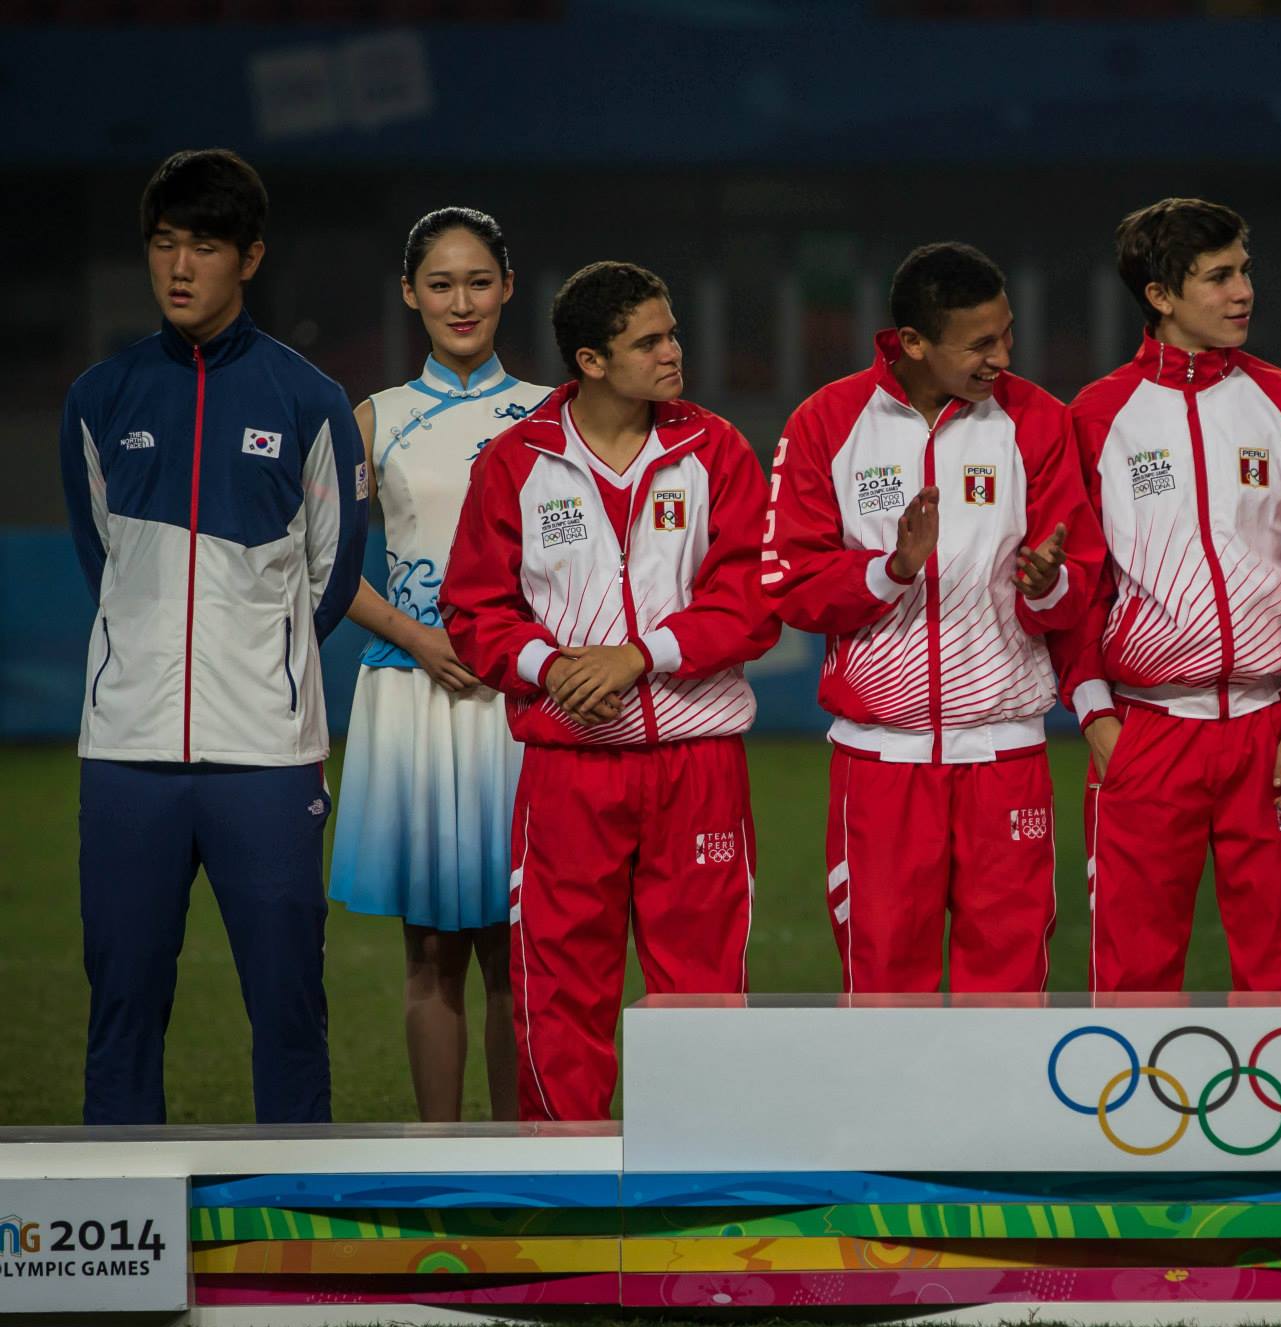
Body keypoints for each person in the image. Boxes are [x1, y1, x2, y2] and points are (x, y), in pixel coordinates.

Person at [58, 148, 367, 1123]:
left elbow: (333, 571)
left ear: (251, 257)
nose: (179, 266)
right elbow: (99, 555)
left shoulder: (309, 401)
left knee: (287, 1010)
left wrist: (256, 664)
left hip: (266, 760)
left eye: (204, 245)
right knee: (122, 1007)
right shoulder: (98, 401)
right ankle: (119, 1237)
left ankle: (299, 1250)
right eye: (162, 244)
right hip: (127, 756)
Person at [441, 261, 779, 1120]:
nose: (674, 353)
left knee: (701, 991)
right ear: (591, 361)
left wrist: (641, 656)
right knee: (559, 984)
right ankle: (568, 1183)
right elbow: (475, 610)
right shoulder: (515, 463)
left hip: (698, 760)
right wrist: (551, 669)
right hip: (570, 765)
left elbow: (751, 600)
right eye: (650, 341)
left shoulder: (716, 449)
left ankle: (695, 1180)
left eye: (672, 334)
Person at [760, 242, 1100, 993]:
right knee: (884, 987)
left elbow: (1082, 581)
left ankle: (1000, 1119)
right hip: (881, 764)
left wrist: (1047, 585)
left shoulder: (1038, 420)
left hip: (1007, 759)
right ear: (912, 342)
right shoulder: (827, 422)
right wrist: (892, 571)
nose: (1001, 357)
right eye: (979, 343)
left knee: (1010, 988)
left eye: (1007, 333)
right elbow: (789, 583)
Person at [1052, 197, 1281, 992]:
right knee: (1133, 975)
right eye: (1218, 277)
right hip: (1147, 733)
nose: (1243, 291)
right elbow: (1084, 586)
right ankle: (1137, 1122)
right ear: (1160, 296)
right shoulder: (1096, 417)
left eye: (1244, 270)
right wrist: (1098, 716)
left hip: (1272, 731)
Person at [328, 208, 551, 1121]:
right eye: (441, 284)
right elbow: (327, 562)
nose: (461, 301)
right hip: (414, 696)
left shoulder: (552, 412)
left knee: (517, 948)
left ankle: (519, 1160)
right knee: (428, 951)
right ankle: (440, 1155)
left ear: (507, 287)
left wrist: (518, 648)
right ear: (412, 295)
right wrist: (421, 639)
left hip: (517, 698)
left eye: (478, 282)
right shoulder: (371, 418)